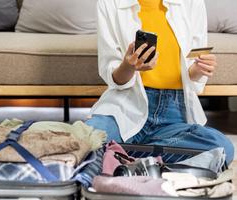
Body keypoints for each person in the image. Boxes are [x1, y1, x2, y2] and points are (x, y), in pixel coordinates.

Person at [85, 0, 234, 164]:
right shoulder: (109, 3)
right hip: (124, 109)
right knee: (88, 140)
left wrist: (198, 70)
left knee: (221, 148)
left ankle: (119, 156)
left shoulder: (192, 3)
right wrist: (129, 66)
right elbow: (112, 75)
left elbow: (192, 70)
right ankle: (148, 159)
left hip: (174, 116)